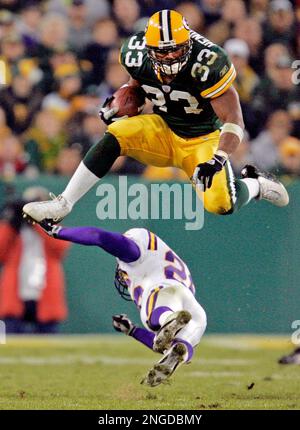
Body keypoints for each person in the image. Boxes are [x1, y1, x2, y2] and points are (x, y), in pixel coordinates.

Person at [23, 9, 289, 224]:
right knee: (116, 135)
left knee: (220, 204)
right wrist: (120, 102)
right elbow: (136, 87)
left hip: (202, 139)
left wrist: (219, 158)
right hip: (163, 127)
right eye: (163, 51)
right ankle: (63, 203)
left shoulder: (208, 63)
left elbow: (234, 119)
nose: (171, 56)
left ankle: (255, 184)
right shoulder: (135, 54)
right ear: (148, 49)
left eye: (177, 49)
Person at [38, 220, 207, 387]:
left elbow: (99, 236)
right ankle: (180, 349)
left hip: (164, 293)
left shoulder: (138, 249)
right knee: (177, 345)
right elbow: (160, 342)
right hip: (195, 308)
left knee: (157, 318)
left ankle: (167, 319)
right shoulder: (173, 266)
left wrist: (57, 232)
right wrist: (133, 331)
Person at [0, 187, 70, 334]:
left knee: (48, 342)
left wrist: (38, 222)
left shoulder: (52, 227)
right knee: (11, 342)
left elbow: (60, 248)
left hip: (45, 290)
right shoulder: (15, 227)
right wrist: (11, 223)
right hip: (16, 291)